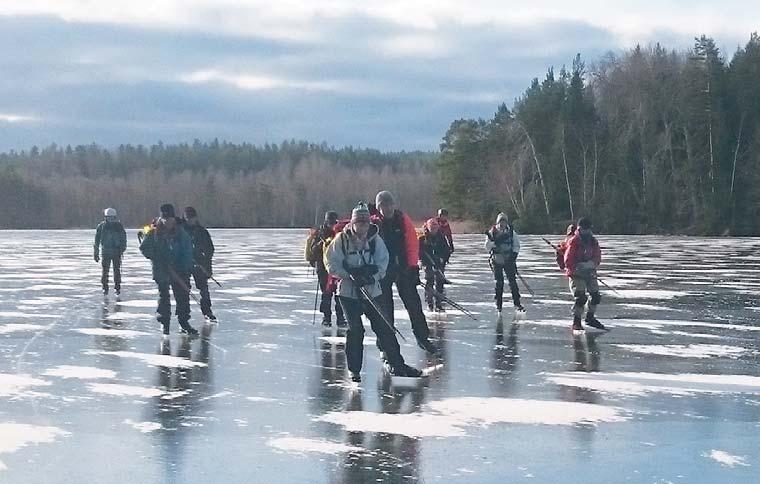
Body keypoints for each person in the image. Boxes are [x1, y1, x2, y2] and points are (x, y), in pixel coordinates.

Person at [325, 202, 421, 382]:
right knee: (356, 330)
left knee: (384, 328)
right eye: (359, 222)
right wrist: (350, 274)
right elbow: (331, 263)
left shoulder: (376, 240)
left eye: (365, 222)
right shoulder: (341, 241)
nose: (362, 226)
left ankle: (398, 365)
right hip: (348, 294)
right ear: (352, 223)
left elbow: (383, 262)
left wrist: (372, 275)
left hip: (372, 290)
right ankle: (354, 370)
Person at [373, 190, 437, 355]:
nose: (386, 209)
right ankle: (385, 345)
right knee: (385, 309)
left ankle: (422, 337)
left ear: (394, 205)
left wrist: (413, 267)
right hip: (382, 271)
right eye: (383, 206)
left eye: (389, 205)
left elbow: (412, 244)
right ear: (378, 207)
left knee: (414, 304)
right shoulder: (374, 224)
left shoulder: (402, 220)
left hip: (402, 268)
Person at [139, 204, 197, 336]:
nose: (167, 222)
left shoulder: (181, 233)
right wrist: (156, 257)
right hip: (161, 269)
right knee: (164, 296)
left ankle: (184, 322)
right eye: (164, 219)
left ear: (173, 218)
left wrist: (184, 268)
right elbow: (144, 248)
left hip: (179, 269)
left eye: (169, 219)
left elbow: (187, 251)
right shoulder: (153, 232)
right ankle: (165, 323)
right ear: (161, 218)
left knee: (182, 296)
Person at [305, 211, 347, 327]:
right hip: (323, 269)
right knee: (327, 294)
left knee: (339, 295)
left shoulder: (339, 232)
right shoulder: (320, 233)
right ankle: (326, 317)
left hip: (337, 268)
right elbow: (313, 250)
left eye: (333, 222)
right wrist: (320, 244)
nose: (332, 224)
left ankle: (340, 318)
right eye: (330, 222)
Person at [564, 217, 606, 331]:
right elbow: (568, 260)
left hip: (589, 271)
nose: (587, 232)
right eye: (585, 229)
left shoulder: (593, 241)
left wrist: (590, 264)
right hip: (576, 273)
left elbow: (597, 257)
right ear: (580, 229)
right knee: (581, 297)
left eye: (589, 229)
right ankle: (576, 321)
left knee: (596, 296)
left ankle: (590, 317)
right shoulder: (574, 241)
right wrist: (577, 267)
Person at [182, 206, 217, 322]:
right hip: (185, 264)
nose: (190, 220)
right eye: (188, 218)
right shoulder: (180, 230)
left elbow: (210, 249)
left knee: (204, 289)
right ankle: (184, 316)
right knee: (184, 290)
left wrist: (205, 260)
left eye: (192, 218)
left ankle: (207, 311)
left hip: (200, 264)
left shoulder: (202, 231)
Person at [485, 212, 524, 313]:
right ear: (498, 222)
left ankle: (517, 303)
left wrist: (513, 256)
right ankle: (499, 304)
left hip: (508, 260)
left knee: (513, 282)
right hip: (496, 260)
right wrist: (494, 243)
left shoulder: (511, 232)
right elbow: (487, 246)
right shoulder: (492, 233)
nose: (502, 224)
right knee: (499, 283)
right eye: (501, 221)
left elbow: (516, 245)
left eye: (504, 221)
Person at [419, 218, 451, 312]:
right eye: (432, 228)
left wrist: (442, 259)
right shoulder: (422, 238)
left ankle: (438, 303)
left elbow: (446, 250)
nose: (434, 230)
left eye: (435, 228)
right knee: (430, 281)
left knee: (440, 281)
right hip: (427, 263)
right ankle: (429, 303)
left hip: (439, 263)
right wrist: (422, 261)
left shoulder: (441, 236)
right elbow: (419, 252)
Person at [94, 207, 127, 295]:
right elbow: (97, 240)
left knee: (117, 271)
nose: (110, 219)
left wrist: (122, 248)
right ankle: (105, 287)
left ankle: (117, 287)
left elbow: (123, 238)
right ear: (105, 217)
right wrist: (96, 253)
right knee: (105, 271)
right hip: (106, 252)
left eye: (112, 218)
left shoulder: (119, 226)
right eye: (109, 217)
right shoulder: (101, 226)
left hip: (117, 252)